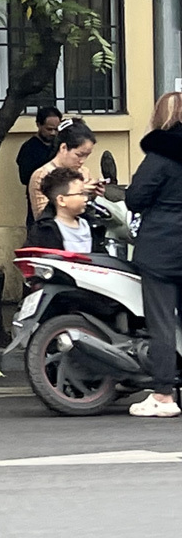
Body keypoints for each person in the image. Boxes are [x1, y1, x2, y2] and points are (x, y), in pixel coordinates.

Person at [124, 92, 182, 418]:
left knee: (161, 324)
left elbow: (135, 198)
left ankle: (163, 396)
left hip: (162, 249)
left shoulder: (160, 155)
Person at [28, 118, 100, 222]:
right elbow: (43, 217)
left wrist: (93, 195)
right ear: (63, 148)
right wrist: (79, 192)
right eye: (79, 155)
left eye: (87, 156)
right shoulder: (42, 175)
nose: (82, 161)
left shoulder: (84, 172)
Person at [25, 167, 92, 254]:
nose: (86, 198)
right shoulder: (45, 231)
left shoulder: (92, 226)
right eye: (81, 194)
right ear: (61, 200)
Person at [17, 107, 62, 226]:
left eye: (56, 129)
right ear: (38, 125)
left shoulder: (60, 146)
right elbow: (24, 177)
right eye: (49, 129)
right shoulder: (29, 148)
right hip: (38, 198)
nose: (53, 133)